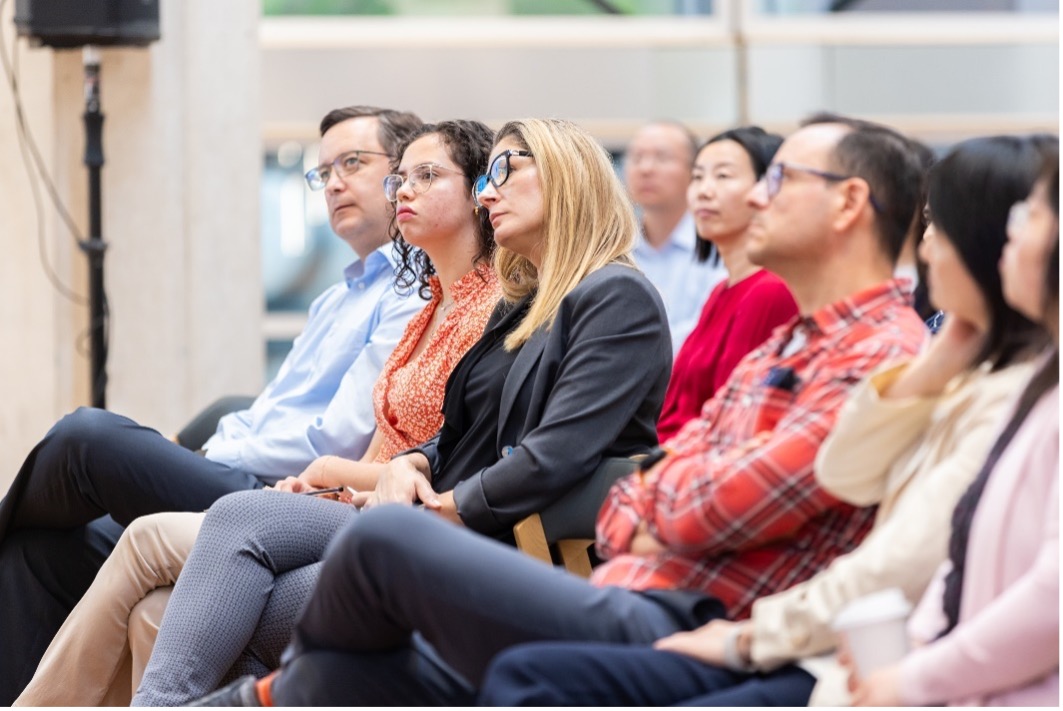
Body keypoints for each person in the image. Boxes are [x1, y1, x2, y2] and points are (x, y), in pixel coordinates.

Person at [192, 114, 930, 708]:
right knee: (329, 677)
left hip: (687, 612)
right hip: (613, 575)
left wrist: (452, 501)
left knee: (373, 542)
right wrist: (420, 464)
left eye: (776, 178)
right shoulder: (784, 342)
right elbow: (642, 488)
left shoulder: (874, 354)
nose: (754, 196)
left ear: (849, 201)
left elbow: (693, 495)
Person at [475, 134, 1052, 707]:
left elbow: (881, 544)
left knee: (442, 592)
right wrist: (928, 372)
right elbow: (829, 466)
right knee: (503, 658)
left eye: (770, 180)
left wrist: (749, 632)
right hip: (695, 590)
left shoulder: (917, 361)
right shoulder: (824, 340)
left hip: (738, 611)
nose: (923, 249)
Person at [133, 117, 671, 706]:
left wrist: (444, 509)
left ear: (569, 177)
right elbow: (463, 430)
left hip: (506, 538)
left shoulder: (615, 294)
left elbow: (554, 456)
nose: (488, 193)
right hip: (445, 513)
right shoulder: (529, 301)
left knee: (252, 585)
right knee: (241, 521)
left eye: (504, 171)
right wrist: (411, 460)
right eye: (485, 177)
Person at [13, 119, 502, 707]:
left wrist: (324, 474)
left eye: (422, 176)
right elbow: (360, 436)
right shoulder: (416, 307)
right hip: (331, 499)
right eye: (403, 178)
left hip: (375, 509)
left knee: (89, 441)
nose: (405, 191)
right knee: (63, 561)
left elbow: (407, 455)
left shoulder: (480, 312)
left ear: (481, 191)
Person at [847, 155, 1059, 708]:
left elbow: (1053, 598)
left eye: (1032, 215)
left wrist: (914, 677)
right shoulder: (1028, 376)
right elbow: (846, 474)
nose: (923, 248)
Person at [656, 126, 798, 442]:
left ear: (767, 189)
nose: (704, 191)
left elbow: (734, 422)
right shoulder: (720, 292)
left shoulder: (771, 290)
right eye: (698, 177)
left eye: (723, 176)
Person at [626, 121, 727, 351]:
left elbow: (710, 333)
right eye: (637, 158)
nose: (646, 169)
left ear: (695, 171)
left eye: (662, 158)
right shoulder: (615, 248)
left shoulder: (717, 244)